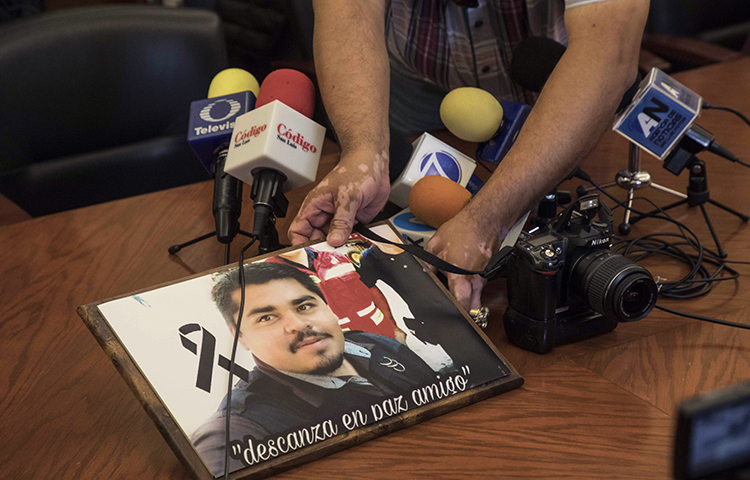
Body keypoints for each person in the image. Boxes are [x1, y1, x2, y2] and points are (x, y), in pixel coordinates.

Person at [287, 0, 650, 311]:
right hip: (416, 84)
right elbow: (349, 11)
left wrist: (485, 221)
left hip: (558, 88)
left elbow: (606, 55)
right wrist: (364, 153)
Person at [190, 261, 438, 475]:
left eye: (304, 306)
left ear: (327, 306)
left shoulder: (377, 343)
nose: (297, 324)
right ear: (240, 337)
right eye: (266, 317)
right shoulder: (235, 432)